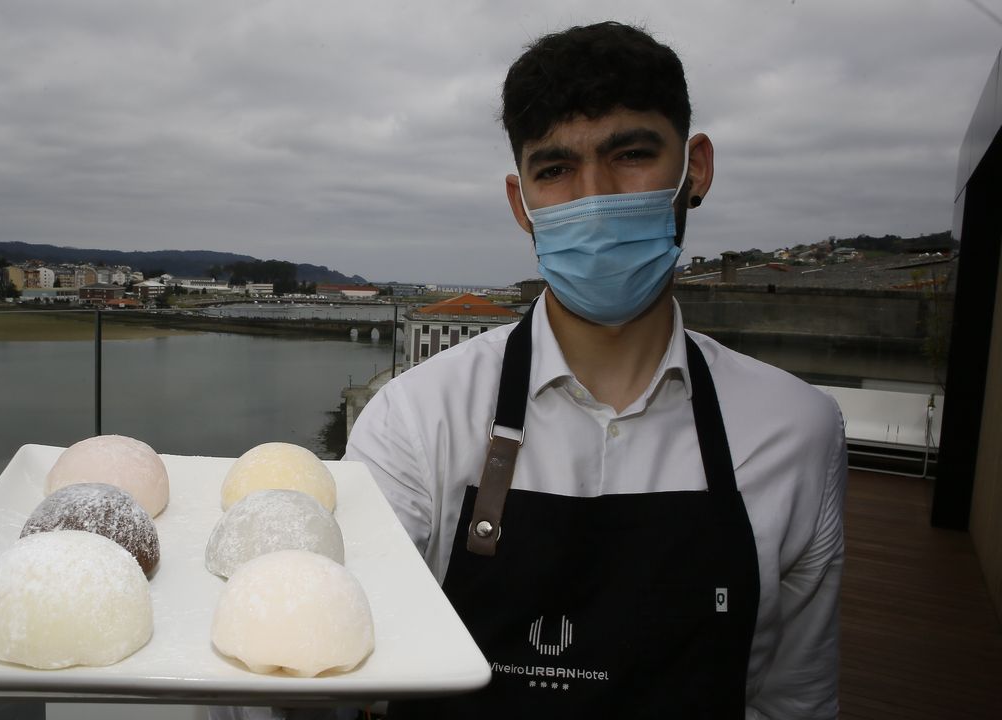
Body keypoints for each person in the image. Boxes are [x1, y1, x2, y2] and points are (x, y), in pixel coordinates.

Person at [344, 21, 847, 719]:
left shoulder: (797, 431)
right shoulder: (414, 420)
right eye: (554, 170)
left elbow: (793, 697)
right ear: (522, 203)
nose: (595, 196)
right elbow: (334, 645)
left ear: (693, 168)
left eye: (631, 153)